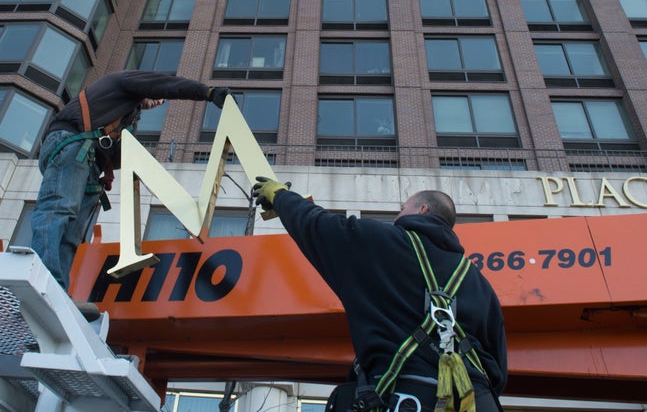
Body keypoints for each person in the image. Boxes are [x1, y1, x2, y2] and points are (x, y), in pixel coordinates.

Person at [252, 177, 507, 412]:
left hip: (402, 397)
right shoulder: (479, 283)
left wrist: (280, 196)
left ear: (423, 210)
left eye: (401, 209)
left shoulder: (383, 242)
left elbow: (318, 226)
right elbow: (498, 367)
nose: (397, 217)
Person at [30, 70, 232, 320]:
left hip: (86, 160)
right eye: (157, 97)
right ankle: (39, 283)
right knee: (59, 210)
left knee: (71, 232)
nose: (158, 102)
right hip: (70, 143)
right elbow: (168, 84)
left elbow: (116, 156)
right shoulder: (124, 81)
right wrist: (207, 92)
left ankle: (56, 292)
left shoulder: (122, 115)